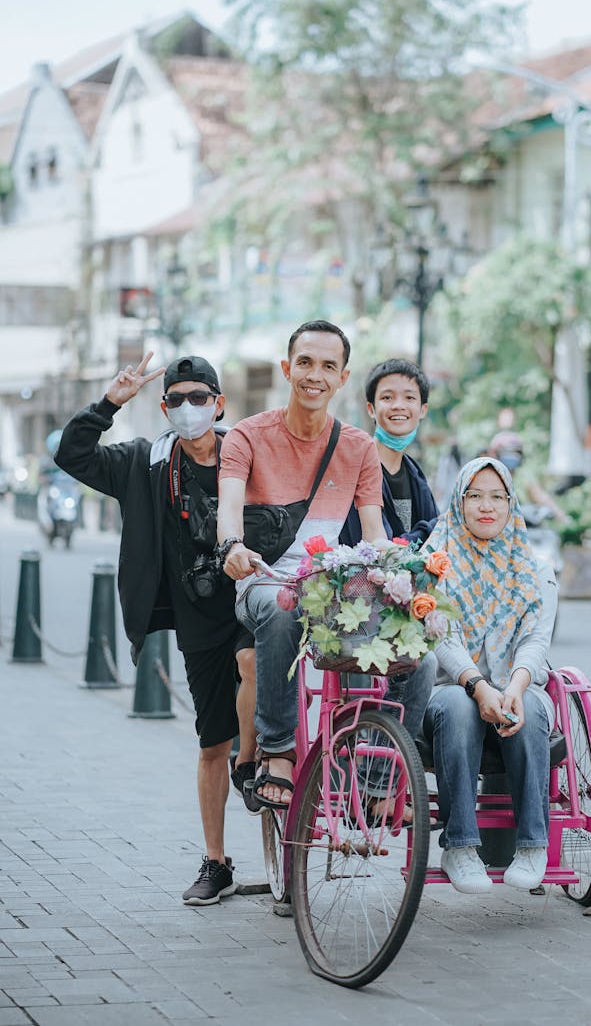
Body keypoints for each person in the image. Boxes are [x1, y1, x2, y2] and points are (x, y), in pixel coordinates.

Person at [55, 352, 258, 906]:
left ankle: (259, 787)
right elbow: (71, 453)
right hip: (196, 622)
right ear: (164, 408)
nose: (189, 409)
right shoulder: (145, 463)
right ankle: (216, 862)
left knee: (257, 680)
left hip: (252, 606)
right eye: (177, 400)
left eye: (200, 398)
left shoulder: (249, 455)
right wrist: (109, 403)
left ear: (220, 404)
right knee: (211, 742)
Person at [217, 321, 436, 811]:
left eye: (328, 366)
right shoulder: (246, 437)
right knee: (281, 607)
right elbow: (228, 509)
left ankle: (377, 773)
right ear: (286, 368)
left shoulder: (358, 447)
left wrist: (397, 581)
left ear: (342, 378)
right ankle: (278, 751)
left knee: (422, 656)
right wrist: (232, 546)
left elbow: (373, 532)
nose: (315, 375)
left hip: (332, 588)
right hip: (265, 579)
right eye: (306, 363)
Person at [421, 456, 558, 894]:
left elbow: (536, 641)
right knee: (459, 707)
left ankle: (533, 844)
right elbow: (440, 638)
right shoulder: (433, 562)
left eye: (498, 497)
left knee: (531, 707)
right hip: (450, 686)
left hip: (517, 681)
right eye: (475, 495)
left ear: (511, 503)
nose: (487, 506)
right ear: (459, 502)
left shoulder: (534, 568)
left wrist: (514, 686)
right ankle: (459, 845)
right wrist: (478, 686)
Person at [340, 357, 438, 547]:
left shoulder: (415, 474)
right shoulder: (355, 469)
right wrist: (428, 530)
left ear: (423, 409)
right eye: (387, 397)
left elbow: (441, 535)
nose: (398, 405)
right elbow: (373, 546)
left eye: (409, 397)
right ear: (371, 408)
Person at [489, 429, 568, 523]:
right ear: (496, 454)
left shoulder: (523, 477)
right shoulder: (488, 477)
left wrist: (562, 517)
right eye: (508, 452)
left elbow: (542, 497)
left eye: (516, 452)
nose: (513, 456)